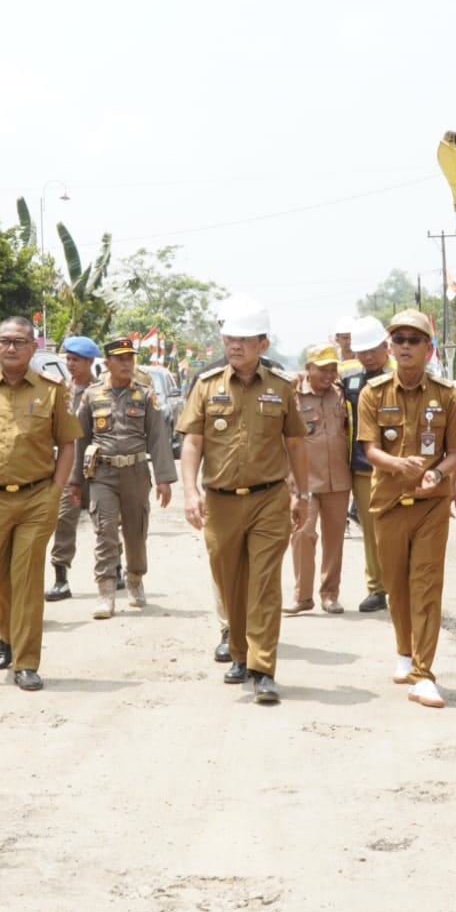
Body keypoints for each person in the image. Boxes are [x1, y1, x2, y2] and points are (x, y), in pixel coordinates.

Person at [177, 297, 309, 704]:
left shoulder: (282, 388)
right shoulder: (206, 385)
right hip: (219, 501)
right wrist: (190, 492)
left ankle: (262, 667)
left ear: (262, 345)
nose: (235, 346)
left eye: (244, 340)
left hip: (269, 498)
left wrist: (301, 493)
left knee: (265, 584)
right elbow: (192, 443)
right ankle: (238, 652)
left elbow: (296, 444)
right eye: (230, 338)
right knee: (230, 582)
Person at [0, 316, 81, 692]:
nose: (11, 348)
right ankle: (6, 635)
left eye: (19, 342)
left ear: (33, 347)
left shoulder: (53, 389)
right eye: (5, 341)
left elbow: (68, 443)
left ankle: (26, 661)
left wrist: (56, 490)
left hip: (36, 498)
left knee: (25, 578)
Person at [358, 311, 456, 709]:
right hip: (388, 501)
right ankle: (405, 653)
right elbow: (370, 448)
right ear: (389, 347)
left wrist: (442, 473)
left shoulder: (447, 394)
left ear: (429, 348)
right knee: (397, 583)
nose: (405, 345)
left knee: (426, 586)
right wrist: (397, 465)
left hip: (431, 505)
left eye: (414, 339)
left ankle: (424, 674)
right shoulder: (373, 393)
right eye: (399, 339)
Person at [72, 337, 177, 618]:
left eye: (130, 358)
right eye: (120, 358)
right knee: (104, 532)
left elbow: (158, 438)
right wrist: (74, 482)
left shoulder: (145, 395)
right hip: (102, 473)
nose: (127, 363)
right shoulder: (92, 396)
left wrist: (164, 478)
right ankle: (105, 591)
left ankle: (135, 580)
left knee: (136, 531)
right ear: (106, 363)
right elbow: (79, 440)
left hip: (136, 473)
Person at [286, 344, 352, 615]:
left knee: (334, 538)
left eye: (333, 368)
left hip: (338, 479)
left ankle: (330, 594)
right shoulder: (293, 396)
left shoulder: (342, 394)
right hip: (305, 480)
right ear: (308, 368)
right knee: (303, 534)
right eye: (322, 368)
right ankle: (302, 596)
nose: (328, 374)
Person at [342, 315, 394, 613]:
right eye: (362, 351)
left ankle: (402, 583)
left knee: (398, 529)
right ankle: (377, 588)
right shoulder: (349, 378)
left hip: (395, 467)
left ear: (385, 346)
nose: (368, 356)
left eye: (373, 348)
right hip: (362, 467)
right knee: (371, 531)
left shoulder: (402, 375)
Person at [46, 335, 102, 602]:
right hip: (69, 469)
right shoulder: (62, 391)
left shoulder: (102, 390)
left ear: (90, 362)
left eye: (75, 360)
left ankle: (114, 568)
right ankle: (61, 579)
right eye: (68, 359)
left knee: (106, 522)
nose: (70, 364)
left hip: (99, 468)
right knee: (63, 522)